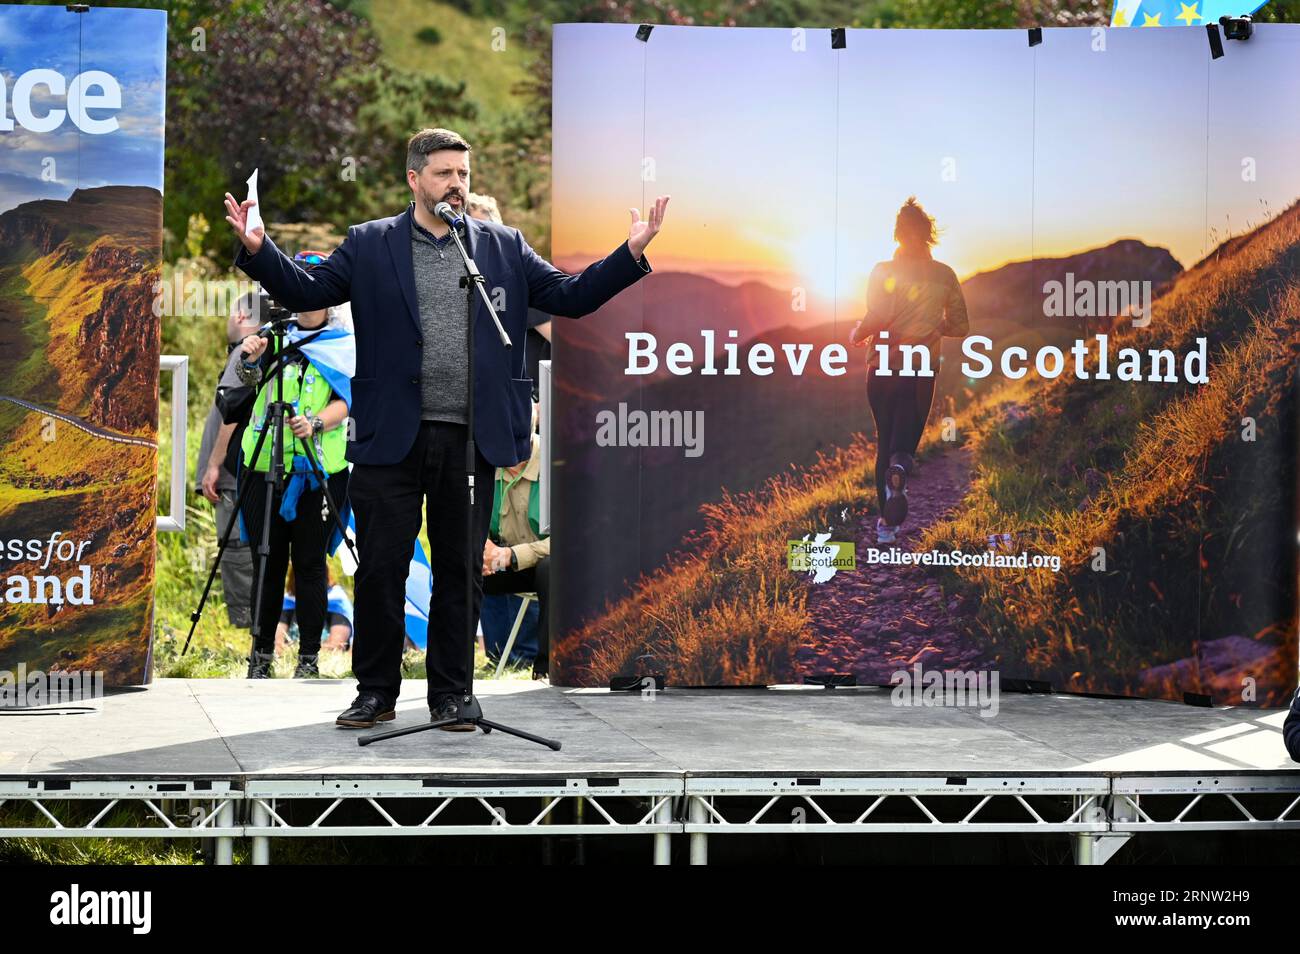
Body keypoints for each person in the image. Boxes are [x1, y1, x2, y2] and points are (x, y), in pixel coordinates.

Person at [224, 127, 668, 728]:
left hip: (469, 439)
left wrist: (631, 253)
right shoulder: (370, 243)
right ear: (414, 179)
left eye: (463, 174)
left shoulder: (502, 246)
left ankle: (453, 694)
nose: (456, 185)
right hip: (390, 438)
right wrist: (259, 249)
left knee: (460, 569)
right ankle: (376, 691)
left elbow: (571, 296)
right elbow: (310, 288)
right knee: (383, 565)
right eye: (443, 174)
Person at [234, 280, 354, 679]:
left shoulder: (342, 344)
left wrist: (316, 423)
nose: (304, 305)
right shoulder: (272, 337)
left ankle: (308, 660)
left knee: (309, 564)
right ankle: (261, 658)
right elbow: (244, 391)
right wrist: (249, 361)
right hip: (262, 464)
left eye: (314, 296)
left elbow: (347, 401)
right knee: (266, 562)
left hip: (316, 470)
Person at [849, 197, 968, 545]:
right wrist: (934, 328)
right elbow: (961, 325)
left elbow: (879, 314)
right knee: (902, 448)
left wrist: (858, 333)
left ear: (897, 234)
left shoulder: (883, 270)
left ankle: (886, 527)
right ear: (929, 234)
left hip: (882, 366)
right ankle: (900, 472)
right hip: (919, 370)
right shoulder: (944, 275)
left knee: (883, 442)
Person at [196, 292, 260, 628]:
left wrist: (213, 464)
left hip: (233, 475)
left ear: (239, 316)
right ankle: (260, 632)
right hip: (241, 474)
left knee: (236, 549)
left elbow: (230, 412)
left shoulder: (244, 353)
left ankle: (252, 628)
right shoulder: (256, 351)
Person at [481, 415, 549, 678]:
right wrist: (481, 547)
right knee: (462, 568)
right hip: (502, 558)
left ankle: (544, 666)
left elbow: (570, 537)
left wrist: (512, 555)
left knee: (550, 570)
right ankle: (454, 669)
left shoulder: (555, 464)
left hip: (546, 561)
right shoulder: (487, 465)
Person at [468, 193, 551, 396]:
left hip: (531, 397)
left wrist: (546, 398)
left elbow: (561, 341)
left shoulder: (513, 277)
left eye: (482, 228)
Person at [277, 565, 354, 656]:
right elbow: (277, 643)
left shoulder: (336, 600)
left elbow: (336, 645)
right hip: (294, 653)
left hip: (322, 658)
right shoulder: (289, 600)